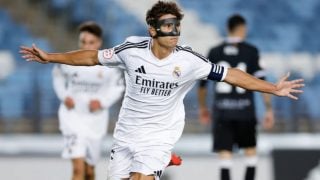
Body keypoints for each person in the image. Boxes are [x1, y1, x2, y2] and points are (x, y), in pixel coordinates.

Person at [20, 1, 304, 180]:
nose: (175, 30)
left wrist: (272, 88)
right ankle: (163, 162)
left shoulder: (189, 60)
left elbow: (232, 75)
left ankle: (160, 157)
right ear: (152, 30)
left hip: (160, 134)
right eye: (168, 25)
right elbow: (91, 57)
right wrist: (51, 57)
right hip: (126, 134)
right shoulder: (130, 50)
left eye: (177, 25)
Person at [198, 14, 274, 180]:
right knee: (250, 152)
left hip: (222, 112)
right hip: (245, 111)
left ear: (228, 28)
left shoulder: (214, 52)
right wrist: (268, 109)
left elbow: (202, 86)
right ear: (243, 29)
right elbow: (261, 83)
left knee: (225, 154)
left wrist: (203, 108)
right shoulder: (252, 51)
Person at [52, 21, 124, 180]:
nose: (86, 46)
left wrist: (102, 102)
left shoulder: (109, 65)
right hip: (72, 117)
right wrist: (64, 96)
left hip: (95, 120)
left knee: (89, 171)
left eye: (91, 42)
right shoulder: (70, 61)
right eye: (83, 42)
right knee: (78, 169)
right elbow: (57, 75)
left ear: (99, 42)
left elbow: (118, 87)